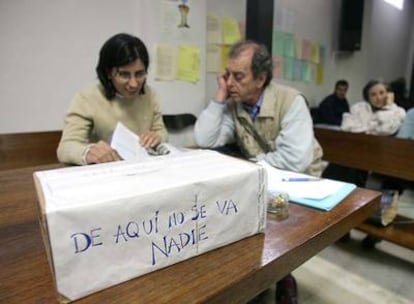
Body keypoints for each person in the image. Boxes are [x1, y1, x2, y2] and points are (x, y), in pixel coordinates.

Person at [194, 40, 323, 304]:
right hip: (264, 178)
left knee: (274, 225)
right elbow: (205, 139)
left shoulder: (291, 101)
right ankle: (260, 277)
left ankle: (282, 274)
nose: (230, 82)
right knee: (237, 222)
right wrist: (219, 96)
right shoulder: (234, 103)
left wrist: (251, 165)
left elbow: (295, 160)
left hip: (300, 183)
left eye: (238, 76)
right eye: (227, 74)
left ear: (261, 78)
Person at [57, 33, 168, 165]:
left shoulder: (150, 95)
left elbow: (161, 132)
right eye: (124, 74)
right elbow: (65, 148)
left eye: (139, 74)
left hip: (143, 169)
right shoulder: (87, 98)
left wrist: (158, 137)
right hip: (106, 174)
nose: (134, 84)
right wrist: (88, 152)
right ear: (108, 73)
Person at [341, 80, 406, 135]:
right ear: (367, 98)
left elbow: (386, 130)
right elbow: (346, 128)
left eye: (381, 93)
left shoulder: (399, 112)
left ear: (388, 94)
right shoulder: (358, 108)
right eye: (373, 95)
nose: (378, 98)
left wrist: (388, 107)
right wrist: (373, 128)